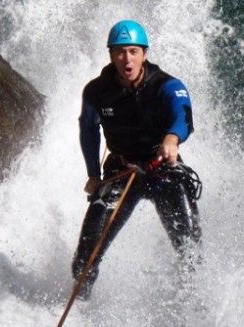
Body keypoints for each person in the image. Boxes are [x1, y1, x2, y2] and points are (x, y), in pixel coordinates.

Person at [71, 19, 202, 300]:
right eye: (119, 51)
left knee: (191, 253)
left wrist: (172, 139)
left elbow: (184, 116)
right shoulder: (96, 91)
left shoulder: (166, 85)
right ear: (110, 55)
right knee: (85, 258)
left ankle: (197, 324)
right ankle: (79, 313)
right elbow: (88, 129)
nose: (126, 59)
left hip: (162, 173)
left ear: (144, 53)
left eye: (132, 51)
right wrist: (94, 174)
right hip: (122, 172)